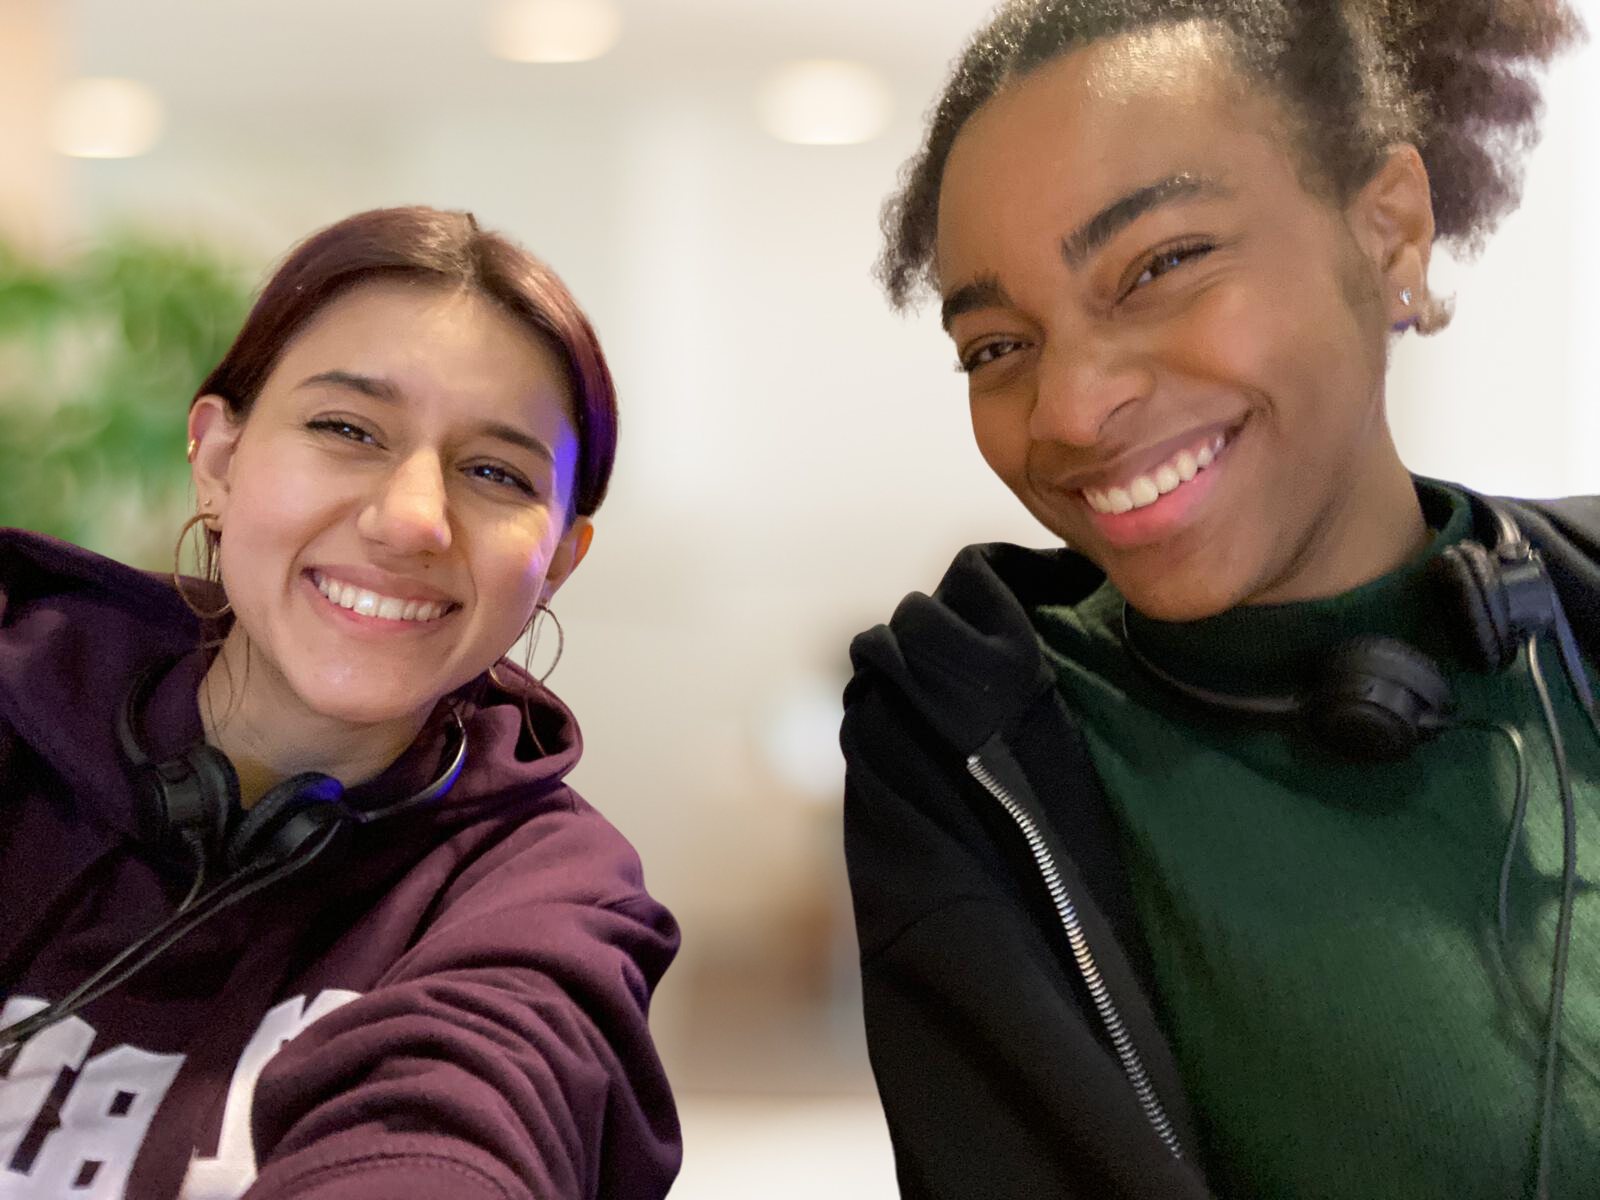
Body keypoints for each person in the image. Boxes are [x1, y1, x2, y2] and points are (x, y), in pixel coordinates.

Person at [840, 2, 1598, 1197]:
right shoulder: (970, 750)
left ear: (1388, 231)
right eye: (996, 347)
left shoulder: (1576, 618)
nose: (1072, 411)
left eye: (1160, 266)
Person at [0, 206, 679, 1200]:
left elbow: (461, 1129)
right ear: (220, 458)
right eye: (346, 429)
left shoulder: (544, 904)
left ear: (558, 562)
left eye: (494, 472)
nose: (411, 520)